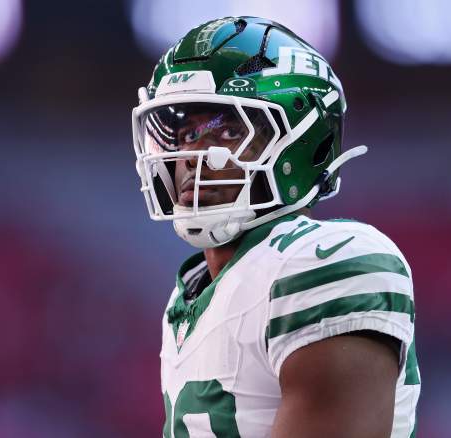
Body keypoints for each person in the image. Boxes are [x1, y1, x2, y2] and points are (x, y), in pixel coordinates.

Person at [131, 16, 420, 438]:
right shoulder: (190, 294)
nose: (192, 155)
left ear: (300, 143)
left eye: (228, 129)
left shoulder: (326, 263)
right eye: (187, 133)